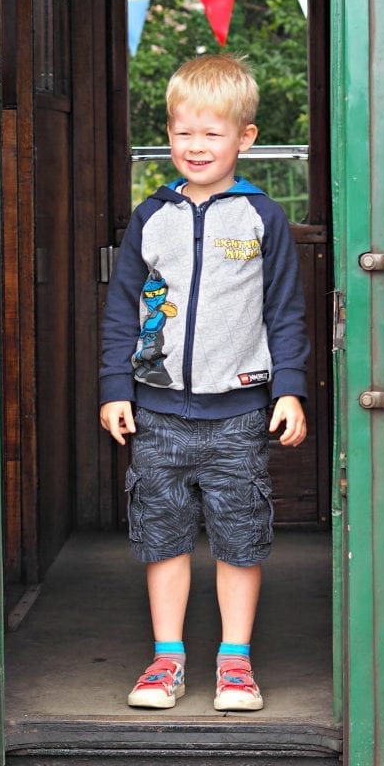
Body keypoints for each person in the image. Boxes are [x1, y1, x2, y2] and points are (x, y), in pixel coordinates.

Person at [99, 53, 309, 713]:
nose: (196, 146)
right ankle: (166, 661)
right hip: (156, 412)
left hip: (240, 414)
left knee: (239, 536)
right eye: (183, 132)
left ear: (244, 139)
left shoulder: (262, 218)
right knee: (161, 533)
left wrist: (290, 388)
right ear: (168, 135)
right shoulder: (150, 218)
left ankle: (235, 664)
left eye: (212, 134)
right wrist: (114, 386)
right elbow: (120, 310)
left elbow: (286, 311)